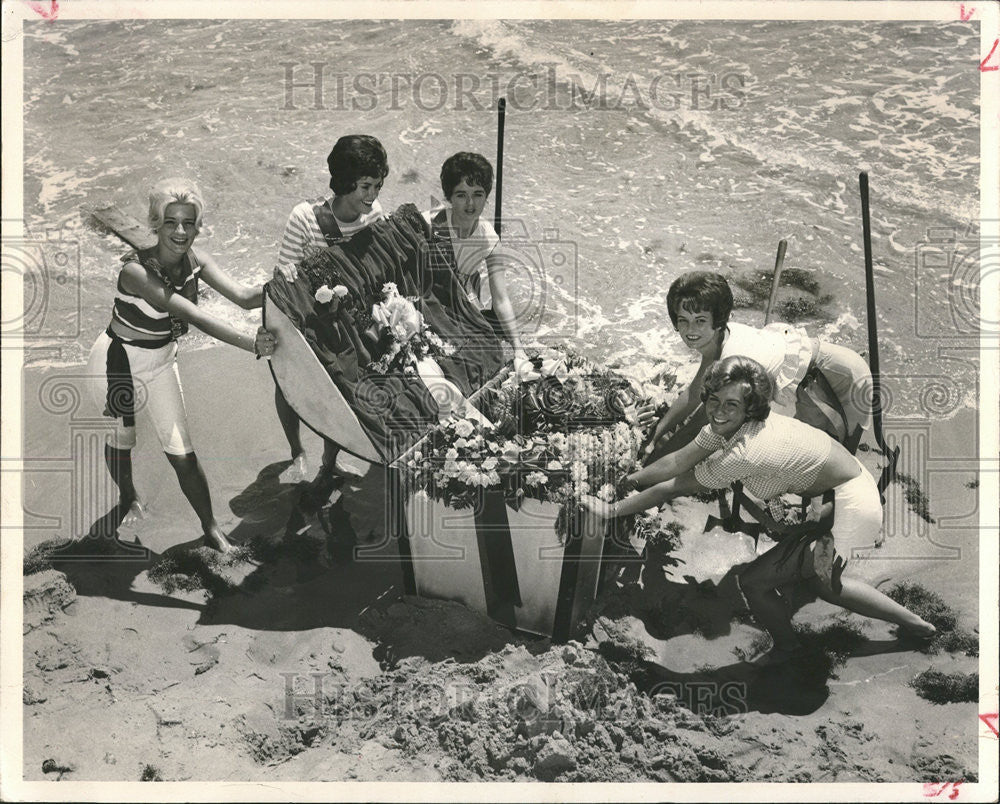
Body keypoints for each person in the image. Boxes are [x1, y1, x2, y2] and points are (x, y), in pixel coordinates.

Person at [583, 356, 936, 664]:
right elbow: (678, 459)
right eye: (714, 400)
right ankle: (913, 624)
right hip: (835, 491)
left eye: (731, 405)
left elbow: (676, 485)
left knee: (759, 583)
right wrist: (630, 478)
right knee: (818, 578)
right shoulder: (729, 425)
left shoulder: (744, 451)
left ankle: (790, 648)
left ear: (750, 408)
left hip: (849, 504)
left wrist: (612, 511)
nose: (719, 411)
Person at [86, 178, 276, 552]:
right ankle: (128, 497)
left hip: (161, 362)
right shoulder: (135, 272)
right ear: (156, 224)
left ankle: (211, 529)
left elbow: (245, 296)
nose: (180, 231)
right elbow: (193, 315)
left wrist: (299, 283)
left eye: (188, 223)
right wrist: (251, 343)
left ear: (197, 226)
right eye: (170, 222)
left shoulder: (197, 261)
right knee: (123, 442)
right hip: (117, 363)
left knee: (182, 454)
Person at [646, 271, 872, 461]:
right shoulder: (716, 338)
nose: (690, 330)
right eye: (682, 320)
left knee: (830, 462)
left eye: (700, 320)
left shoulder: (733, 357)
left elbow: (698, 428)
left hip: (839, 377)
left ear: (717, 321)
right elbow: (694, 392)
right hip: (815, 370)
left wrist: (654, 461)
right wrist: (657, 433)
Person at [272, 134, 389, 485]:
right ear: (343, 182)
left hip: (346, 318)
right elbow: (283, 276)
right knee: (287, 384)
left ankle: (329, 460)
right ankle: (297, 450)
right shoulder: (305, 218)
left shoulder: (375, 215)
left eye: (378, 185)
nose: (372, 196)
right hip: (306, 316)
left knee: (338, 391)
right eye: (364, 186)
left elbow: (375, 270)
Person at [421, 152, 529, 375]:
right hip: (426, 303)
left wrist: (519, 349)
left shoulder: (488, 238)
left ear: (486, 197)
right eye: (461, 195)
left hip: (459, 303)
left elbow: (500, 299)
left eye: (478, 194)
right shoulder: (428, 224)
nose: (470, 204)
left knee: (487, 353)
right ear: (449, 197)